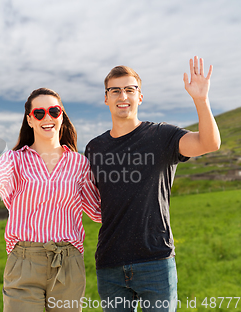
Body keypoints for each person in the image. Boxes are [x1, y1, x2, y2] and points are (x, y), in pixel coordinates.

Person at [85, 56, 220, 312]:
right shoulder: (94, 148)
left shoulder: (162, 135)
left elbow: (209, 143)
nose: (122, 95)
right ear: (106, 98)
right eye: (115, 90)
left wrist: (201, 100)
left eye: (129, 89)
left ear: (140, 97)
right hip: (109, 263)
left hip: (155, 261)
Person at [0, 88, 101, 312]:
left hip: (68, 263)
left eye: (53, 111)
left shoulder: (79, 164)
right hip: (24, 262)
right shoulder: (15, 159)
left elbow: (98, 212)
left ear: (61, 116)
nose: (47, 117)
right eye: (39, 113)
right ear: (30, 120)